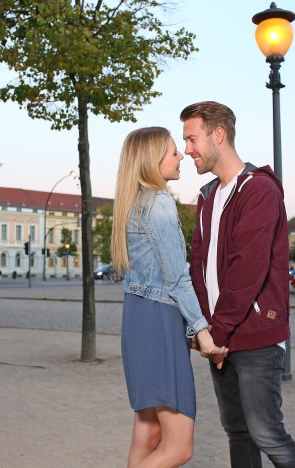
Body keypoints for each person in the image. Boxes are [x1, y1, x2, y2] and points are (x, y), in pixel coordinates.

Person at [180, 101, 295, 468]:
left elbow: (247, 271)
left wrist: (215, 334)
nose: (187, 149)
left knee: (267, 432)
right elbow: (198, 268)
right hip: (219, 337)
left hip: (255, 336)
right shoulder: (207, 197)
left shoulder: (259, 191)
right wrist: (204, 329)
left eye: (192, 139)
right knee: (237, 432)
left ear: (217, 135)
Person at [111, 126, 227, 468]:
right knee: (179, 448)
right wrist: (202, 332)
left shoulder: (133, 203)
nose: (181, 157)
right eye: (173, 151)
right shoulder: (158, 203)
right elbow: (177, 278)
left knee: (147, 434)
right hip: (160, 322)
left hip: (137, 319)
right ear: (152, 159)